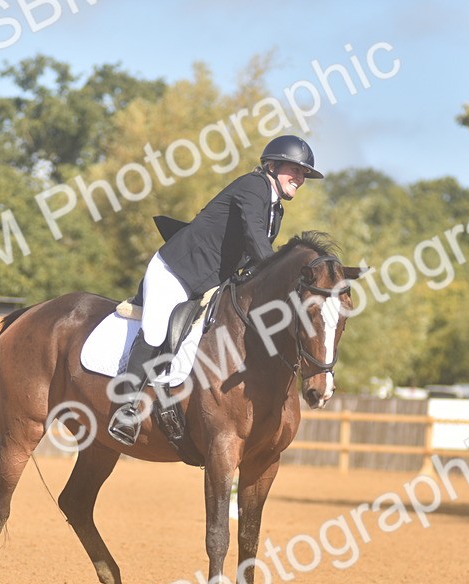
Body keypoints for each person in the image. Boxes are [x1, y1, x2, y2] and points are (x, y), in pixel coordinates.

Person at [107, 134, 324, 446]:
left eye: (304, 174)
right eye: (296, 170)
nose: (300, 179)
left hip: (211, 280)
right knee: (156, 333)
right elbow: (253, 234)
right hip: (177, 270)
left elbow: (250, 255)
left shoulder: (276, 211)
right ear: (272, 166)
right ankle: (126, 406)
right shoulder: (254, 186)